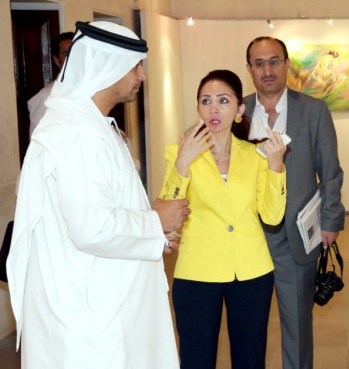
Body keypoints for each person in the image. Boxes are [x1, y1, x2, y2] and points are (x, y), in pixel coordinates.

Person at [7, 21, 190, 369]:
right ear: (109, 66)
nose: (142, 76)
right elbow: (92, 229)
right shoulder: (76, 135)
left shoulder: (90, 126)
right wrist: (154, 222)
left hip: (104, 301)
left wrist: (151, 229)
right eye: (136, 66)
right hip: (88, 318)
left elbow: (102, 209)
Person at [161, 69, 287, 369]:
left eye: (223, 101)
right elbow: (167, 213)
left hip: (251, 271)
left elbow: (272, 216)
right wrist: (182, 164)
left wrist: (276, 166)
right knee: (196, 359)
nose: (214, 109)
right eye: (206, 101)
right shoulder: (178, 153)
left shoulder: (256, 154)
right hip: (197, 271)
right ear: (198, 108)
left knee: (250, 359)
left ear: (240, 110)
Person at [244, 37, 345, 369]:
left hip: (295, 237)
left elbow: (330, 171)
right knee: (248, 329)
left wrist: (330, 220)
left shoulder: (313, 110)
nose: (267, 70)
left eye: (274, 61)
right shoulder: (238, 112)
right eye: (259, 63)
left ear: (286, 64)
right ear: (249, 69)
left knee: (297, 327)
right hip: (247, 236)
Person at [27, 31, 74, 136]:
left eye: (76, 52)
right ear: (57, 60)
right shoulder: (47, 96)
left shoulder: (91, 91)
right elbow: (37, 138)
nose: (73, 58)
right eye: (66, 54)